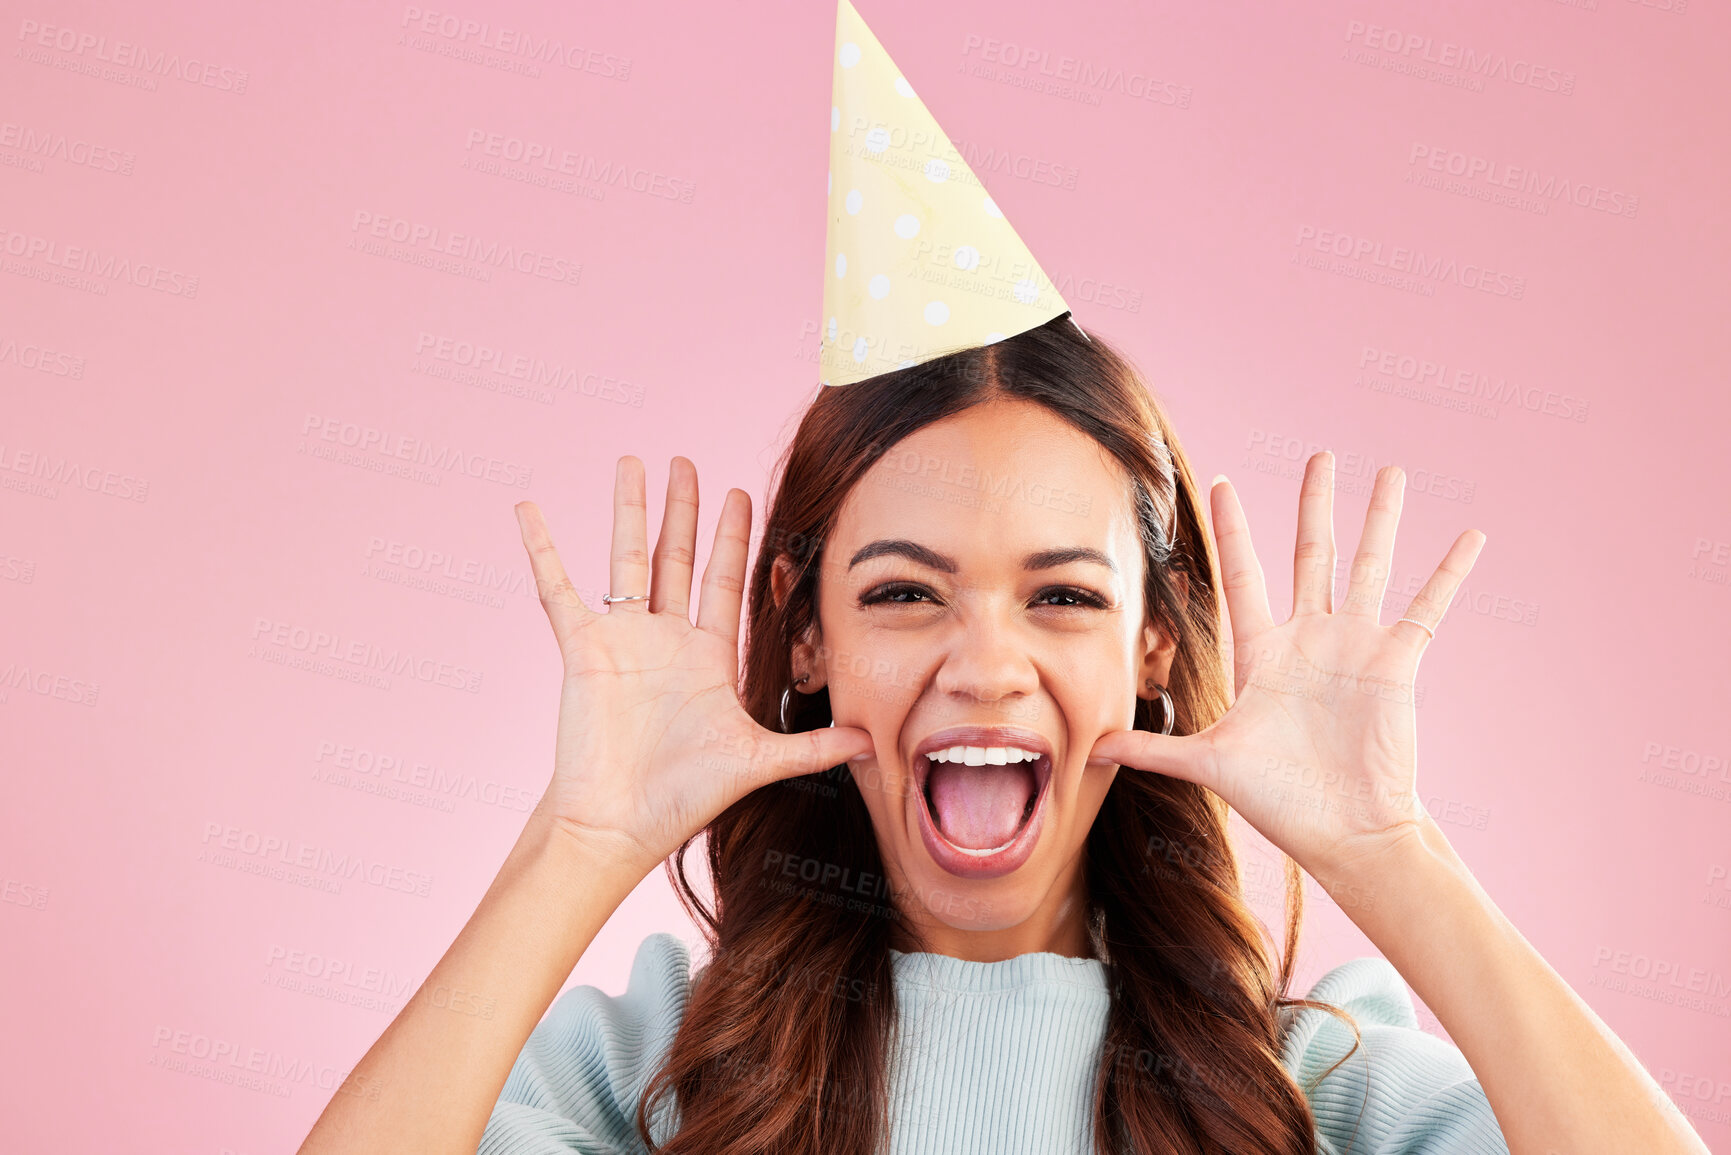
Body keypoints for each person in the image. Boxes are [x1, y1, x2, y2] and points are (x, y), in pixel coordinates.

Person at [295, 3, 1710, 1151]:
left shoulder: (1312, 1087)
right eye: (906, 593)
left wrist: (1396, 861)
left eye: (1065, 596)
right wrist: (581, 840)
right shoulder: (653, 1073)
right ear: (810, 645)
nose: (983, 663)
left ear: (1155, 647)